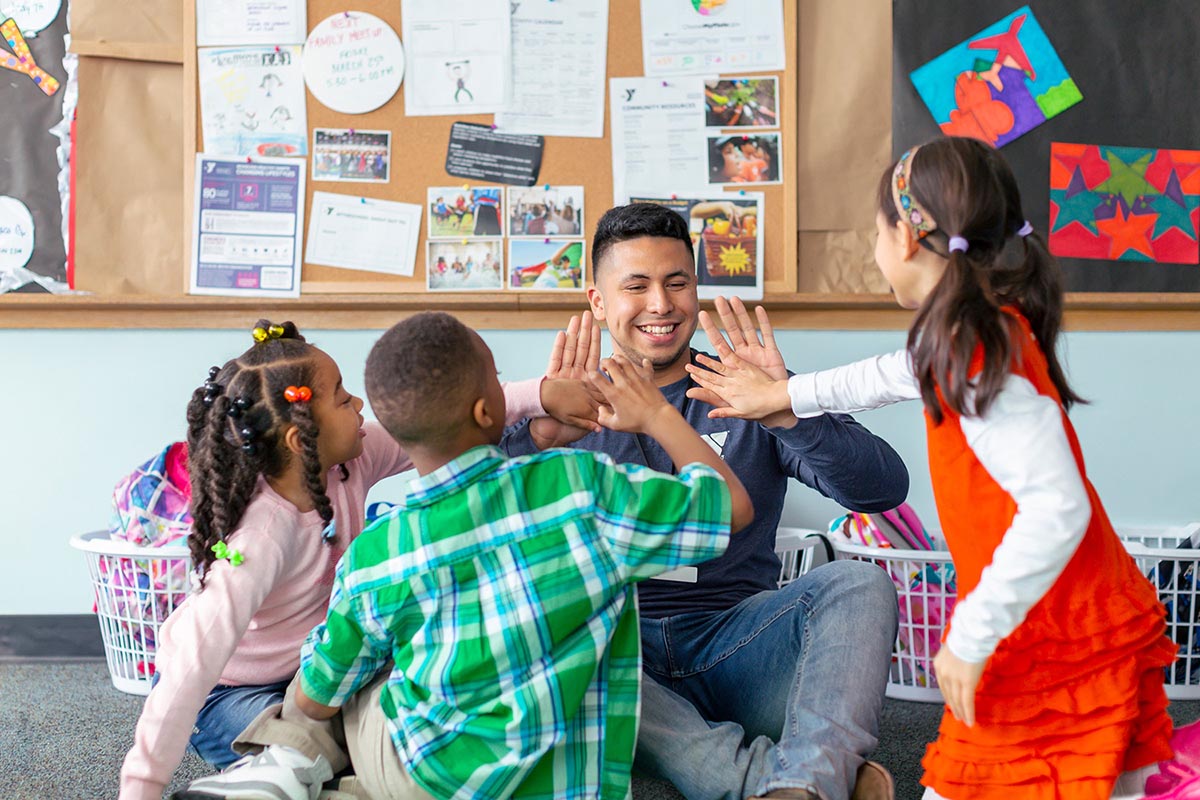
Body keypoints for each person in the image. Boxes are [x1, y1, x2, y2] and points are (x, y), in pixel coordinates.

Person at [684, 137, 1177, 800]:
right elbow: (881, 377)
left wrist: (971, 635)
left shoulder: (979, 356)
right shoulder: (959, 334)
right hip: (1052, 619)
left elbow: (1058, 509)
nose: (875, 247)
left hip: (1056, 628)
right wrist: (782, 396)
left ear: (907, 238)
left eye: (876, 231)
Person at [175, 310, 754, 800]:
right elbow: (730, 507)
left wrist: (305, 708)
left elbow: (320, 689)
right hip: (568, 784)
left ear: (393, 432)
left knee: (352, 680)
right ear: (487, 412)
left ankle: (287, 769)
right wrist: (658, 413)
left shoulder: (379, 554)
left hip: (427, 775)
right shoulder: (583, 487)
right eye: (499, 382)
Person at [502, 202, 909, 800]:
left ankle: (801, 777)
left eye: (677, 283)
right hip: (616, 657)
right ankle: (781, 781)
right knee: (539, 639)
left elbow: (882, 490)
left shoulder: (745, 389)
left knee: (859, 583)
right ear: (597, 301)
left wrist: (785, 409)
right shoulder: (559, 413)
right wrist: (536, 439)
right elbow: (476, 547)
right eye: (635, 286)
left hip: (737, 647)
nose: (661, 305)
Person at [117, 320, 601, 800]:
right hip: (228, 694)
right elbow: (189, 666)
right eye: (343, 398)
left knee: (402, 729)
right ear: (299, 438)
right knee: (340, 749)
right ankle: (267, 775)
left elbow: (437, 419)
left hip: (319, 670)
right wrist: (142, 788)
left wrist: (542, 395)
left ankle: (290, 772)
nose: (359, 405)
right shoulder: (262, 535)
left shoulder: (350, 462)